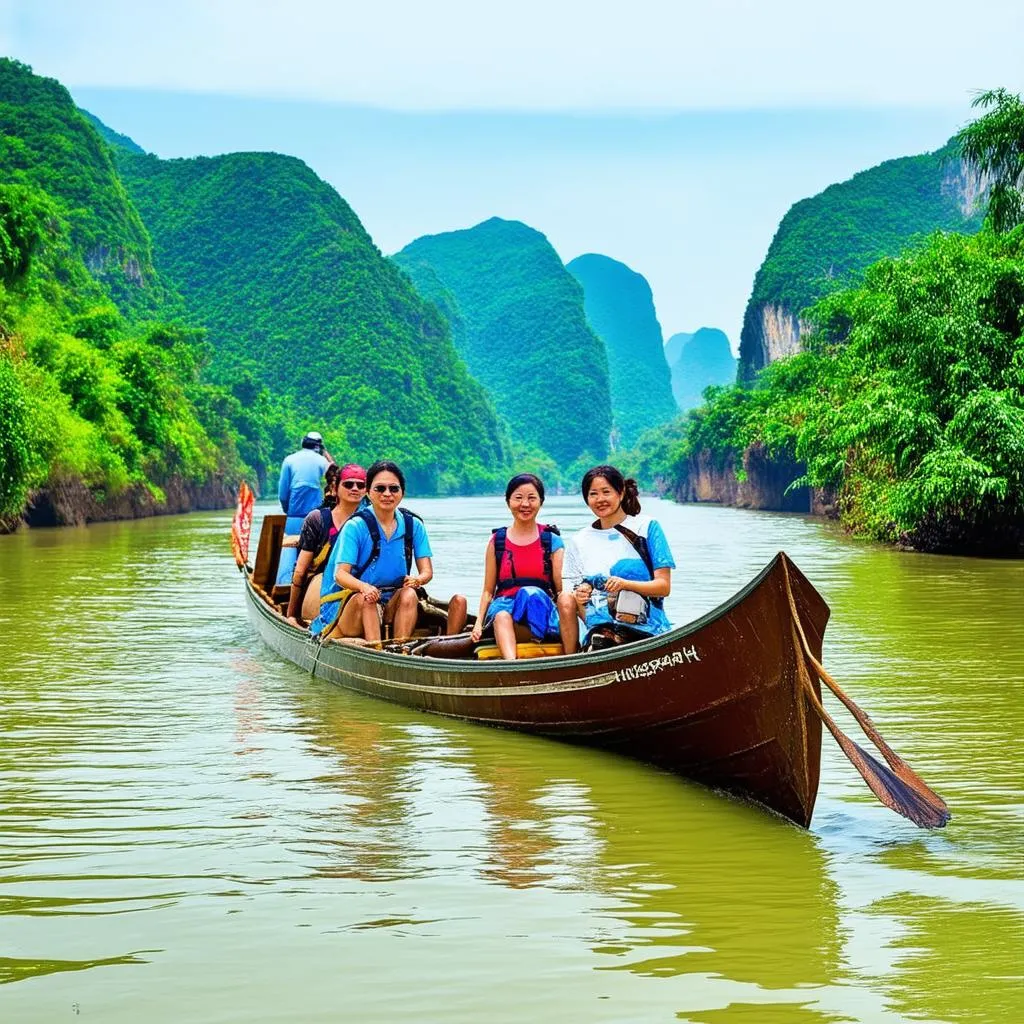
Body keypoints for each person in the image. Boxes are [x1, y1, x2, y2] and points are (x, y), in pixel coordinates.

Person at [309, 460, 468, 642]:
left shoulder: (413, 525)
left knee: (409, 593)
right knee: (367, 599)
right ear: (368, 492)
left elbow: (427, 571)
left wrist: (418, 579)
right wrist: (364, 587)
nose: (387, 494)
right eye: (380, 488)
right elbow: (341, 575)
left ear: (402, 493)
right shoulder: (355, 526)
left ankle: (401, 647)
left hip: (393, 599)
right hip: (350, 602)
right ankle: (376, 649)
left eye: (393, 489)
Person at [558, 464, 675, 647]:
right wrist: (580, 594)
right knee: (565, 598)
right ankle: (573, 662)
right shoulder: (579, 540)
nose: (600, 499)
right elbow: (571, 589)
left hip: (644, 624)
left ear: (620, 493)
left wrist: (624, 584)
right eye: (593, 494)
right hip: (600, 628)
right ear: (586, 499)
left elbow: (663, 586)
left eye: (606, 492)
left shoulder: (646, 527)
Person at [469, 473, 579, 659]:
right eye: (518, 498)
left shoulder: (551, 540)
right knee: (502, 616)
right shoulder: (498, 541)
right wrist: (478, 623)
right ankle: (512, 667)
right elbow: (488, 591)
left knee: (531, 594)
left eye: (531, 498)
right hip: (504, 611)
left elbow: (562, 591)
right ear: (508, 502)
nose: (525, 504)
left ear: (541, 502)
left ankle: (570, 658)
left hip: (539, 609)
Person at [285, 463, 366, 627]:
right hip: (319, 586)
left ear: (367, 490)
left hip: (360, 584)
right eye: (349, 484)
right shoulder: (317, 519)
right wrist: (291, 615)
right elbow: (300, 571)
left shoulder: (371, 521)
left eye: (360, 485)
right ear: (335, 488)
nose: (355, 488)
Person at [275, 431, 333, 586]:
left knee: (289, 547)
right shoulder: (321, 461)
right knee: (314, 550)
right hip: (317, 519)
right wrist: (325, 454)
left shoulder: (289, 460)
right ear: (319, 446)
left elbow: (283, 492)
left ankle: (284, 583)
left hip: (294, 516)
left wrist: (288, 510)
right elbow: (335, 475)